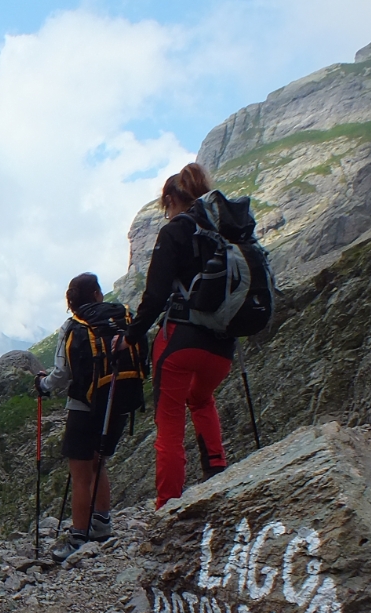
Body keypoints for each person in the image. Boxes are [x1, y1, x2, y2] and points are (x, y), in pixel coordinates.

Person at [127, 163, 235, 509]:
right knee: (201, 399)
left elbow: (155, 296)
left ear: (171, 200)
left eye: (166, 207)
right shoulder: (222, 232)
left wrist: (132, 335)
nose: (166, 213)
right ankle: (217, 469)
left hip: (181, 340)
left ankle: (168, 502)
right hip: (222, 345)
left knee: (169, 421)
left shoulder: (174, 232)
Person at [36, 273, 135, 562]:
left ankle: (78, 536)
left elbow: (61, 373)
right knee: (99, 463)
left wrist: (42, 386)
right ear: (96, 294)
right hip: (118, 399)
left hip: (83, 405)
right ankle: (102, 525)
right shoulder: (120, 316)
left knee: (80, 475)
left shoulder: (72, 327)